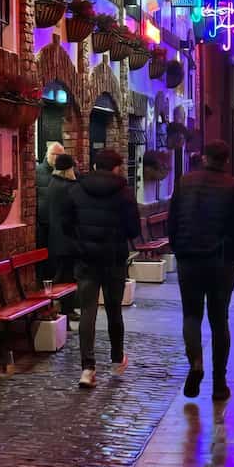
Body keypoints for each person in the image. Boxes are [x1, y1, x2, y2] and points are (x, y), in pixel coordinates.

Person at [169, 140, 234, 402]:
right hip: (220, 262)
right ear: (226, 160)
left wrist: (179, 250)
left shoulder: (184, 182)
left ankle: (196, 363)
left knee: (191, 316)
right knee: (219, 320)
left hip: (189, 259)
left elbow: (172, 220)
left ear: (204, 157)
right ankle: (220, 384)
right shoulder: (233, 185)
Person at [63, 148, 141, 389]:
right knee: (113, 310)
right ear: (116, 167)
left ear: (95, 166)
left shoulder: (76, 190)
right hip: (114, 260)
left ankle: (87, 368)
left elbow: (66, 226)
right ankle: (117, 359)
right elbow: (133, 230)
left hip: (86, 260)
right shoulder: (124, 194)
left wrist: (80, 246)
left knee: (87, 311)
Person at [47, 153, 78, 315]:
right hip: (67, 239)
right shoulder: (67, 187)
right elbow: (73, 214)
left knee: (62, 273)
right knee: (66, 276)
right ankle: (66, 308)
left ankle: (63, 307)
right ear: (68, 169)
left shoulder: (53, 183)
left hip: (56, 237)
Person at [36, 141, 64, 276]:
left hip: (60, 226)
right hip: (43, 225)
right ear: (47, 154)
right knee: (43, 261)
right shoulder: (37, 172)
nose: (56, 158)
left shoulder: (67, 173)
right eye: (54, 154)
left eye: (60, 155)